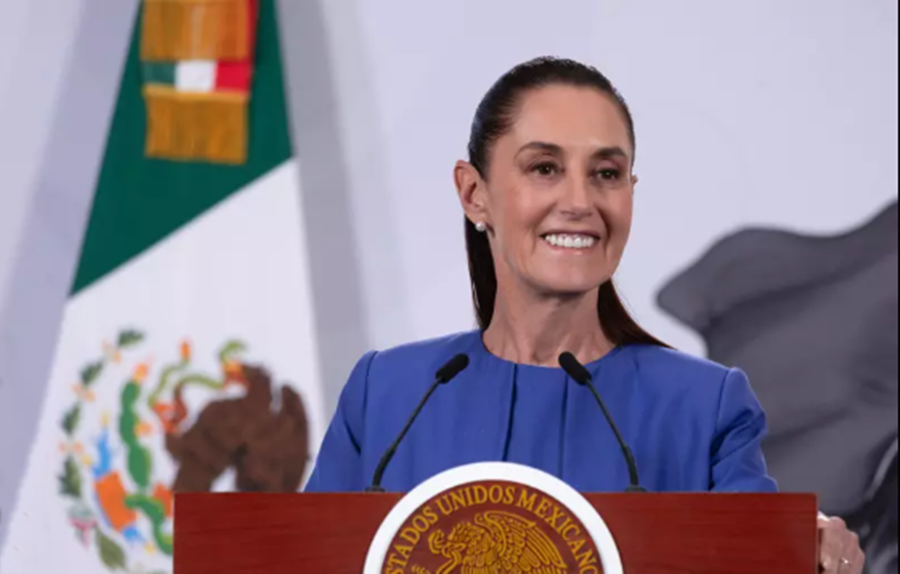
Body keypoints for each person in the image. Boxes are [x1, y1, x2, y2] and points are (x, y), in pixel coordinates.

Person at [304, 56, 865, 573]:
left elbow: (759, 553)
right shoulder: (388, 394)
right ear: (474, 193)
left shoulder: (704, 407)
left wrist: (811, 557)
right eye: (545, 167)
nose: (579, 202)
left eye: (606, 173)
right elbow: (299, 554)